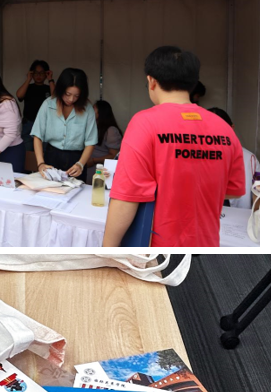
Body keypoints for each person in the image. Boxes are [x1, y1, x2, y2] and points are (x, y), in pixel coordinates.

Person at [103, 46, 246, 247]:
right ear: (193, 82)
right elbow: (233, 190)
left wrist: (107, 249)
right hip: (206, 245)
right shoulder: (224, 128)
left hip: (156, 249)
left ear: (151, 81)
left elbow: (127, 197)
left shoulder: (144, 123)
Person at [31, 67, 97, 179]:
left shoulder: (87, 109)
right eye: (67, 94)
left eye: (76, 96)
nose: (71, 99)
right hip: (51, 157)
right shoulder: (48, 105)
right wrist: (41, 163)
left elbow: (90, 141)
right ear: (61, 89)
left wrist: (80, 164)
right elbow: (37, 135)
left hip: (76, 160)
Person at [208, 107, 260, 210]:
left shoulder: (250, 159)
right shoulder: (193, 157)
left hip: (239, 216)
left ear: (231, 128)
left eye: (219, 129)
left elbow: (259, 192)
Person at [16, 60, 55, 150]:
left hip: (45, 124)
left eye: (42, 73)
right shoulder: (28, 87)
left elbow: (56, 99)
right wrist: (28, 79)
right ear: (32, 74)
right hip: (28, 123)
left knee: (43, 151)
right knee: (27, 151)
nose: (38, 75)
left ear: (46, 74)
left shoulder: (48, 88)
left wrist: (50, 79)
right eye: (36, 73)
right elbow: (19, 95)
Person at [85, 100, 123, 183]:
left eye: (93, 108)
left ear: (101, 112)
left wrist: (93, 160)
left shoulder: (111, 131)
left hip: (100, 171)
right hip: (87, 168)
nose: (90, 111)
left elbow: (114, 155)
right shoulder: (93, 127)